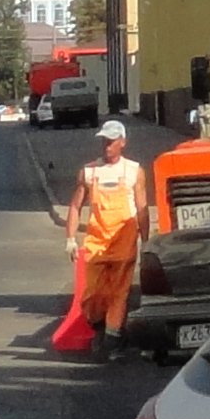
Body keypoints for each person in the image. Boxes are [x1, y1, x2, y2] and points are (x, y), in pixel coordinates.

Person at [50, 116, 150, 350]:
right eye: (104, 140)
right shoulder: (89, 172)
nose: (107, 146)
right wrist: (70, 239)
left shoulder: (133, 171)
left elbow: (142, 209)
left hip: (124, 240)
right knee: (93, 292)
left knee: (119, 291)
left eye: (112, 141)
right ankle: (98, 323)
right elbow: (75, 206)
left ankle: (113, 338)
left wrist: (146, 243)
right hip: (97, 241)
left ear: (122, 142)